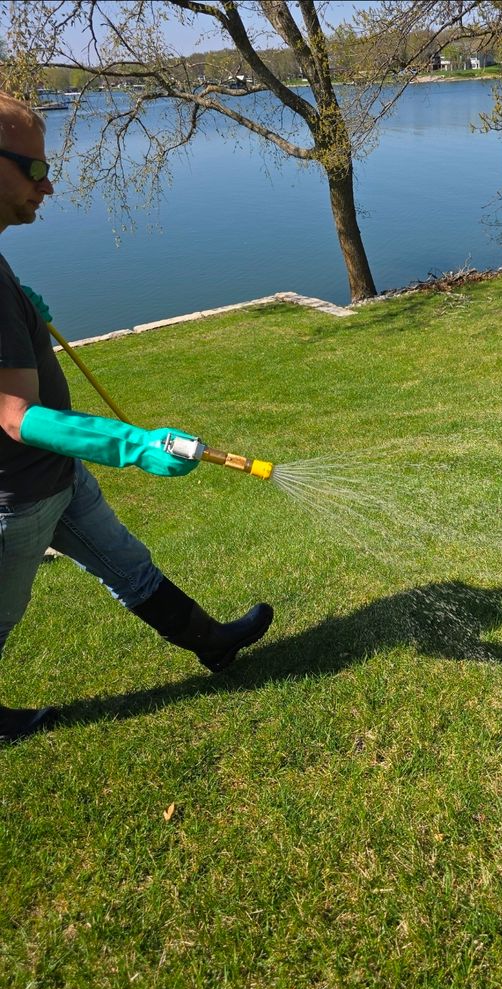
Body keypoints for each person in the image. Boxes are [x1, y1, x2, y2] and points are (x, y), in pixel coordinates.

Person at [0, 93, 273, 744]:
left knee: (130, 566)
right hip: (17, 497)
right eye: (35, 170)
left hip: (56, 477)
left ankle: (213, 643)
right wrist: (131, 445)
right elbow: (14, 415)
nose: (49, 185)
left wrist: (23, 310)